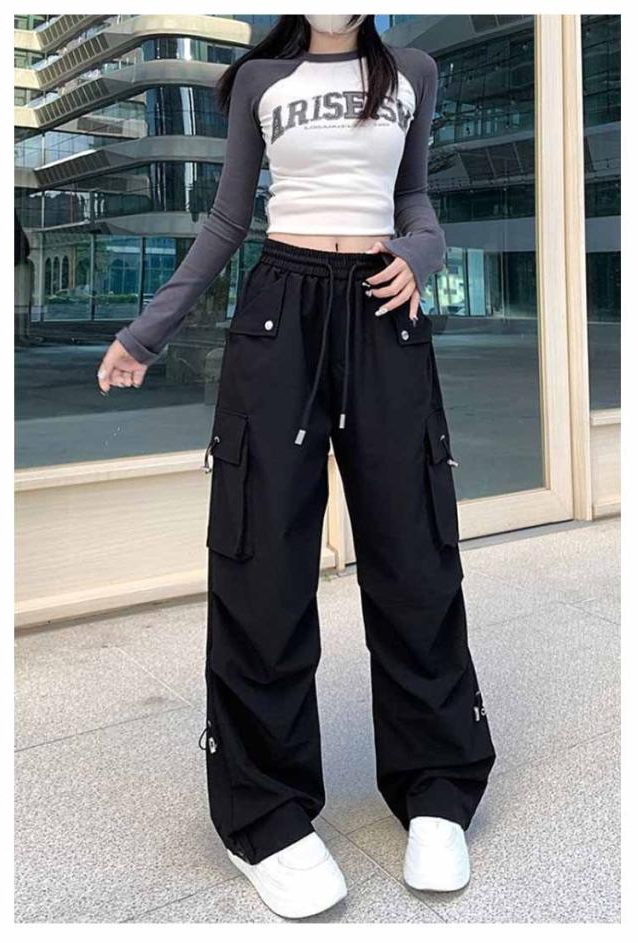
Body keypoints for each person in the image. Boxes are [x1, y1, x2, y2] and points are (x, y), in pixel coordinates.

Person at [97, 15, 496, 920]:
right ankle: (264, 813)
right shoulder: (258, 81)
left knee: (415, 552)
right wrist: (146, 333)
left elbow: (415, 200)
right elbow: (228, 219)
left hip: (385, 314)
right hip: (281, 312)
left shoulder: (413, 70)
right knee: (263, 559)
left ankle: (437, 782)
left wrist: (420, 253)